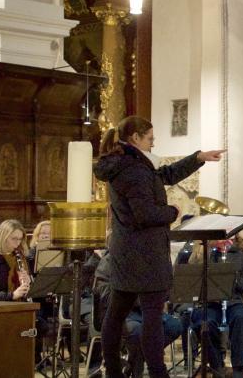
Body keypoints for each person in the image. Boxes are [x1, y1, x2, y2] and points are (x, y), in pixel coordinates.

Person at [93, 115, 222, 378]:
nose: (153, 143)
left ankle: (114, 372)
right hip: (145, 255)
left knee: (116, 314)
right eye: (150, 138)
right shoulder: (134, 169)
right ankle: (157, 373)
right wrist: (173, 211)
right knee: (151, 316)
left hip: (127, 253)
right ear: (136, 138)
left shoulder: (129, 165)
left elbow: (165, 175)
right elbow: (146, 214)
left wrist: (198, 157)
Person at [91, 249, 185, 378]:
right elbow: (104, 294)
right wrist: (132, 297)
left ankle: (135, 360)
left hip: (147, 310)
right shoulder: (110, 260)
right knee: (136, 331)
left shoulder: (149, 258)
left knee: (175, 326)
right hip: (126, 313)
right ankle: (136, 370)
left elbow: (164, 291)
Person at [192, 235, 243, 378]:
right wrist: (206, 250)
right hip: (211, 303)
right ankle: (217, 366)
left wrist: (232, 277)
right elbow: (193, 279)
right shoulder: (206, 253)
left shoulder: (239, 255)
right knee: (205, 322)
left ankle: (238, 369)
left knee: (242, 317)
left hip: (234, 301)